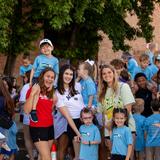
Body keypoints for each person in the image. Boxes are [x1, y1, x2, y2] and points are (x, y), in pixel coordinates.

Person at [24, 67, 80, 160]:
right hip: (38, 128)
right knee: (47, 157)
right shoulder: (35, 89)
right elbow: (26, 110)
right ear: (42, 77)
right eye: (48, 76)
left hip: (49, 127)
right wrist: (32, 93)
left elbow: (50, 110)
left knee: (42, 157)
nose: (50, 79)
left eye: (52, 77)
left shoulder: (52, 92)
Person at [98, 64, 135, 160]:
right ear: (101, 76)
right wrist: (106, 130)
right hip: (109, 131)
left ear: (114, 73)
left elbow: (128, 108)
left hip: (126, 129)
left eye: (109, 72)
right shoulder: (102, 92)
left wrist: (113, 123)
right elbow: (103, 114)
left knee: (128, 157)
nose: (107, 75)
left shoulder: (123, 86)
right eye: (104, 74)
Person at [54, 64, 85, 160]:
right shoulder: (57, 92)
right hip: (66, 123)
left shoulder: (77, 86)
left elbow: (81, 103)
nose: (68, 76)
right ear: (61, 74)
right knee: (62, 149)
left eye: (71, 74)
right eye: (66, 73)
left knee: (77, 152)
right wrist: (77, 132)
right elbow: (67, 116)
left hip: (81, 121)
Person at [29, 38, 59, 122]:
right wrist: (30, 81)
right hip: (37, 78)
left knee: (53, 96)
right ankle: (33, 111)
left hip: (48, 80)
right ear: (41, 50)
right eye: (43, 47)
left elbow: (56, 73)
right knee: (37, 90)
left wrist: (53, 85)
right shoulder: (39, 58)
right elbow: (33, 69)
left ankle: (52, 110)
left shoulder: (55, 60)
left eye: (47, 46)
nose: (45, 49)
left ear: (52, 47)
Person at [19, 70, 36, 160]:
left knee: (27, 138)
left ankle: (32, 157)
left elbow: (22, 102)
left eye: (25, 77)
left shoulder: (26, 86)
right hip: (38, 116)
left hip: (27, 116)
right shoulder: (39, 85)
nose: (24, 79)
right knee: (37, 138)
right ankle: (37, 154)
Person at [0, 78, 17, 160]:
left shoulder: (2, 98)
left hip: (3, 128)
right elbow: (12, 114)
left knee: (2, 152)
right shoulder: (7, 97)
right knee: (10, 151)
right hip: (9, 126)